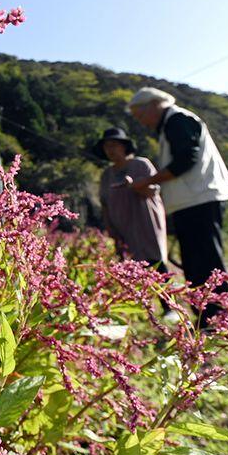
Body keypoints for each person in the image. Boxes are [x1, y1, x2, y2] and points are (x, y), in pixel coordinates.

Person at [126, 87, 228, 329]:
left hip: (200, 200)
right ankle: (207, 320)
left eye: (140, 115)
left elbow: (185, 160)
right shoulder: (173, 123)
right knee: (195, 263)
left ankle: (221, 319)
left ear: (153, 105)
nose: (142, 123)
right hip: (191, 202)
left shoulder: (178, 120)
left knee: (207, 262)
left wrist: (147, 181)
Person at [93, 127, 173, 316]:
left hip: (146, 221)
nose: (110, 150)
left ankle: (169, 307)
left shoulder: (141, 165)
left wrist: (134, 185)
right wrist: (109, 227)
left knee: (156, 263)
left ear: (124, 146)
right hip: (122, 226)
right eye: (107, 147)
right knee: (129, 266)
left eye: (114, 145)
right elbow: (104, 203)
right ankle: (135, 309)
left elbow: (153, 191)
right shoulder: (107, 175)